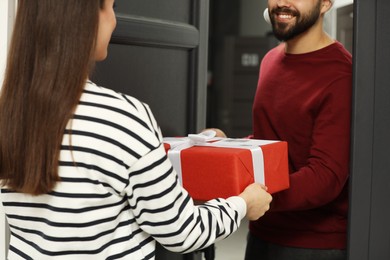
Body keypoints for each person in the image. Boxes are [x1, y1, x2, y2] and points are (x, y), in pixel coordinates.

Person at [0, 1, 272, 259]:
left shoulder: (10, 112)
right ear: (84, 19)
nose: (114, 20)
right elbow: (182, 231)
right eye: (111, 7)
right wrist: (242, 205)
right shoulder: (123, 116)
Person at [209, 0, 352, 259]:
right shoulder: (270, 60)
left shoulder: (341, 74)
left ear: (326, 4)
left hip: (313, 246)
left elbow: (325, 177)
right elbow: (271, 140)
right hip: (262, 231)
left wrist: (251, 197)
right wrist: (227, 147)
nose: (282, 3)